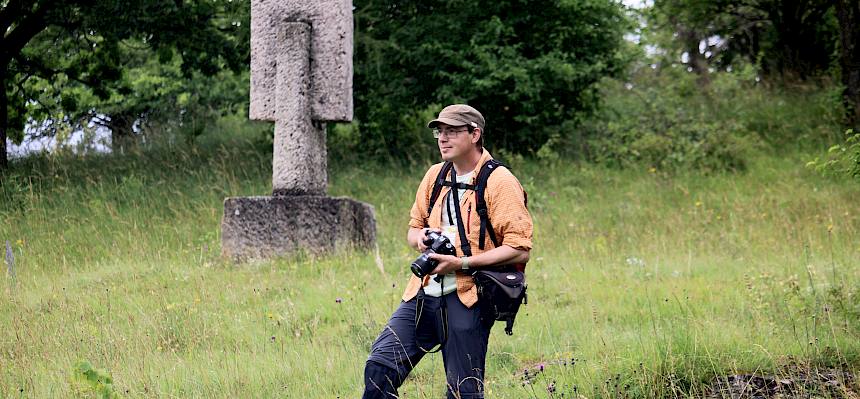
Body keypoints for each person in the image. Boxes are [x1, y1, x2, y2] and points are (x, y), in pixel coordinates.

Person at [362, 104, 534, 398]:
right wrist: (422, 239)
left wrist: (461, 262)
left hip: (469, 298)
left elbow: (519, 249)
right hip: (422, 293)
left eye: (452, 131)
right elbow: (413, 228)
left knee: (463, 392)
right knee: (379, 370)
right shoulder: (435, 175)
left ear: (475, 134)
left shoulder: (499, 181)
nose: (443, 138)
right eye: (440, 132)